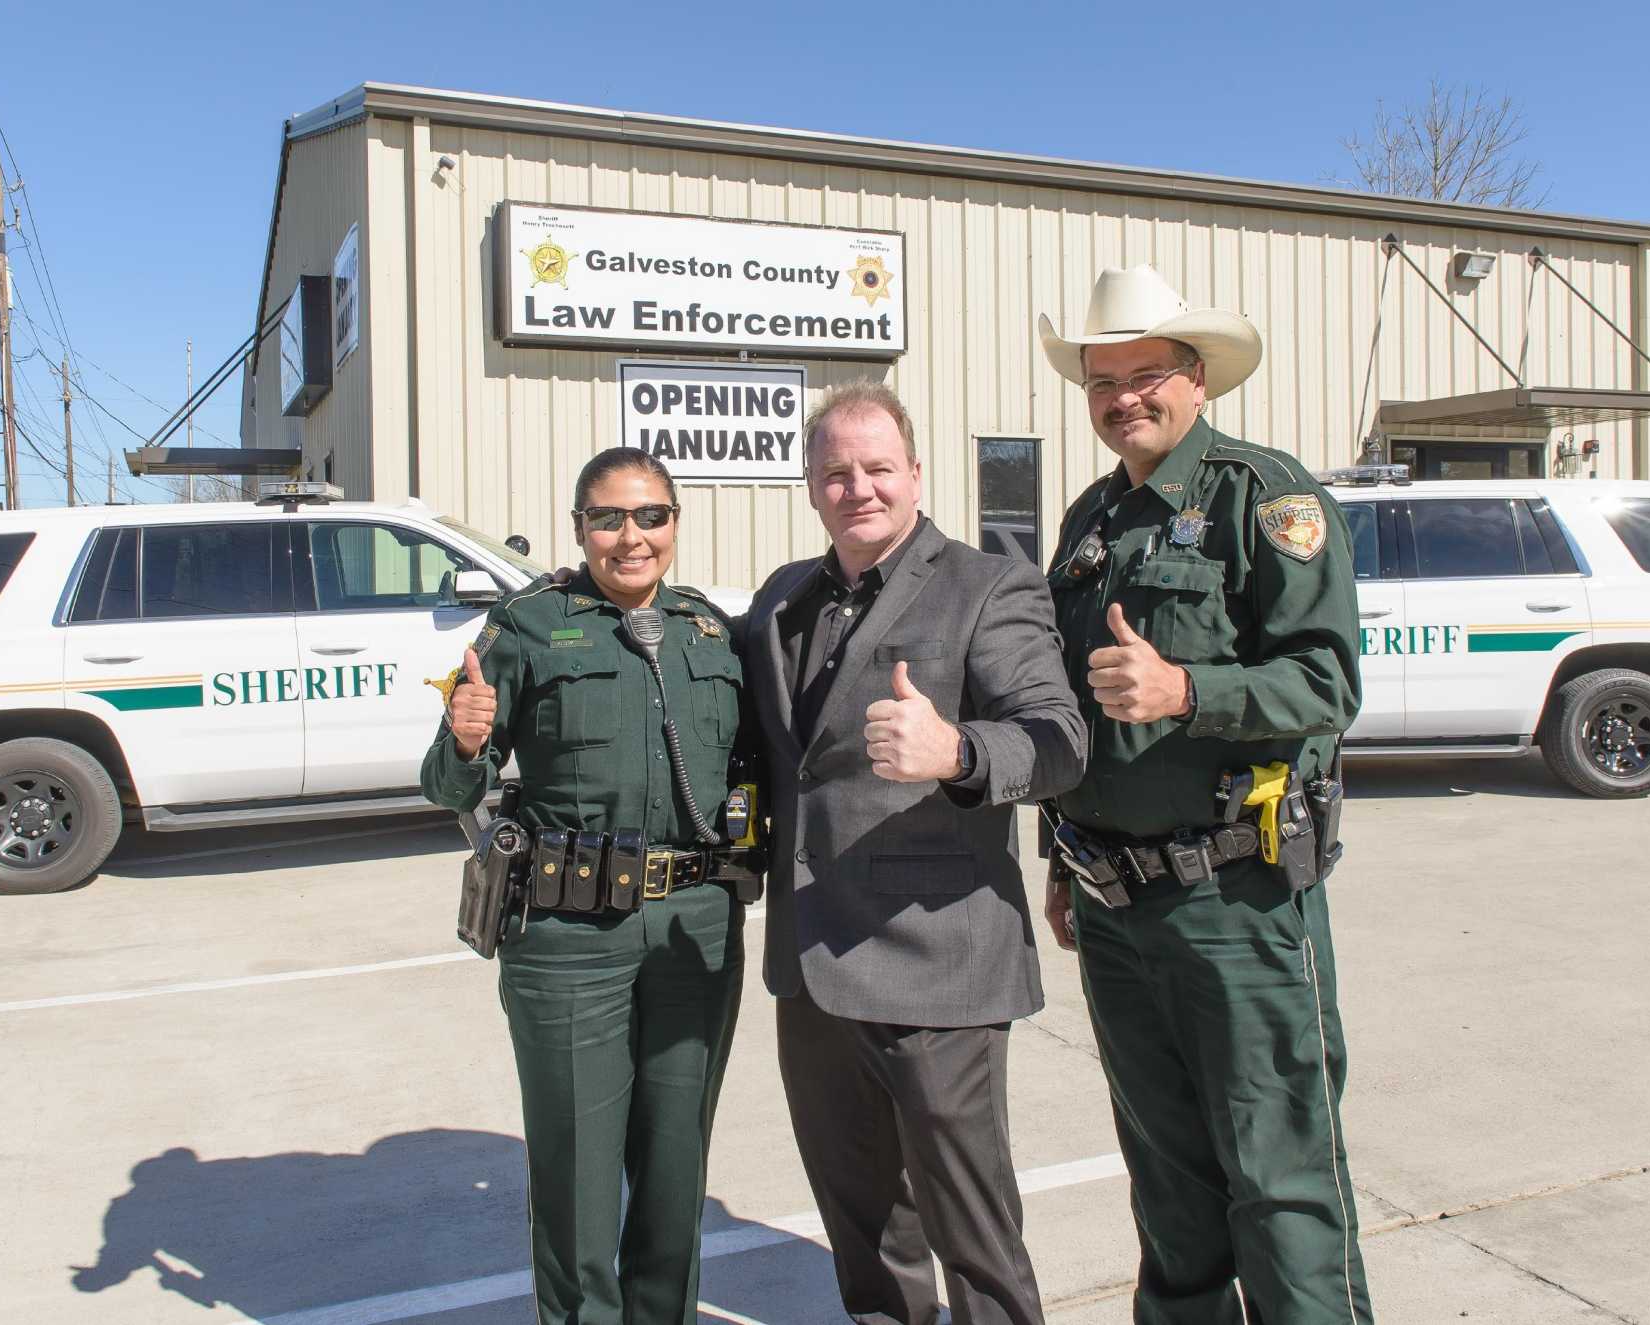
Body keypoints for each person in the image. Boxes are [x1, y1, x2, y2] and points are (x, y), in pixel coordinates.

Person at [1034, 266, 1372, 1324]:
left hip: (1238, 901)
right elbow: (1075, 713)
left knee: (1278, 1176)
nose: (1121, 398)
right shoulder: (1092, 519)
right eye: (1101, 380)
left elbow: (1326, 684)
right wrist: (1058, 855)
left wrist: (1187, 689)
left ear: (1195, 381)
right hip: (1115, 903)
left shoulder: (1261, 497)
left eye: (1144, 375)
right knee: (1169, 1183)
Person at [741, 381, 1086, 1325]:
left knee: (973, 1233)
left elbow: (1060, 738)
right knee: (862, 1226)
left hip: (937, 965)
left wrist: (959, 752)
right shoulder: (782, 600)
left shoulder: (990, 586)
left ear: (916, 474)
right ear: (812, 487)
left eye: (878, 468)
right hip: (811, 971)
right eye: (836, 472)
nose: (859, 488)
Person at [421, 447, 755, 1325]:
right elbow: (449, 784)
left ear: (675, 522)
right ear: (579, 528)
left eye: (651, 515)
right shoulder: (527, 626)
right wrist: (463, 742)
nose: (631, 536)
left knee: (676, 1165)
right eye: (608, 517)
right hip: (571, 937)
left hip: (696, 928)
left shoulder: (711, 632)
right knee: (575, 1177)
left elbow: (756, 772)